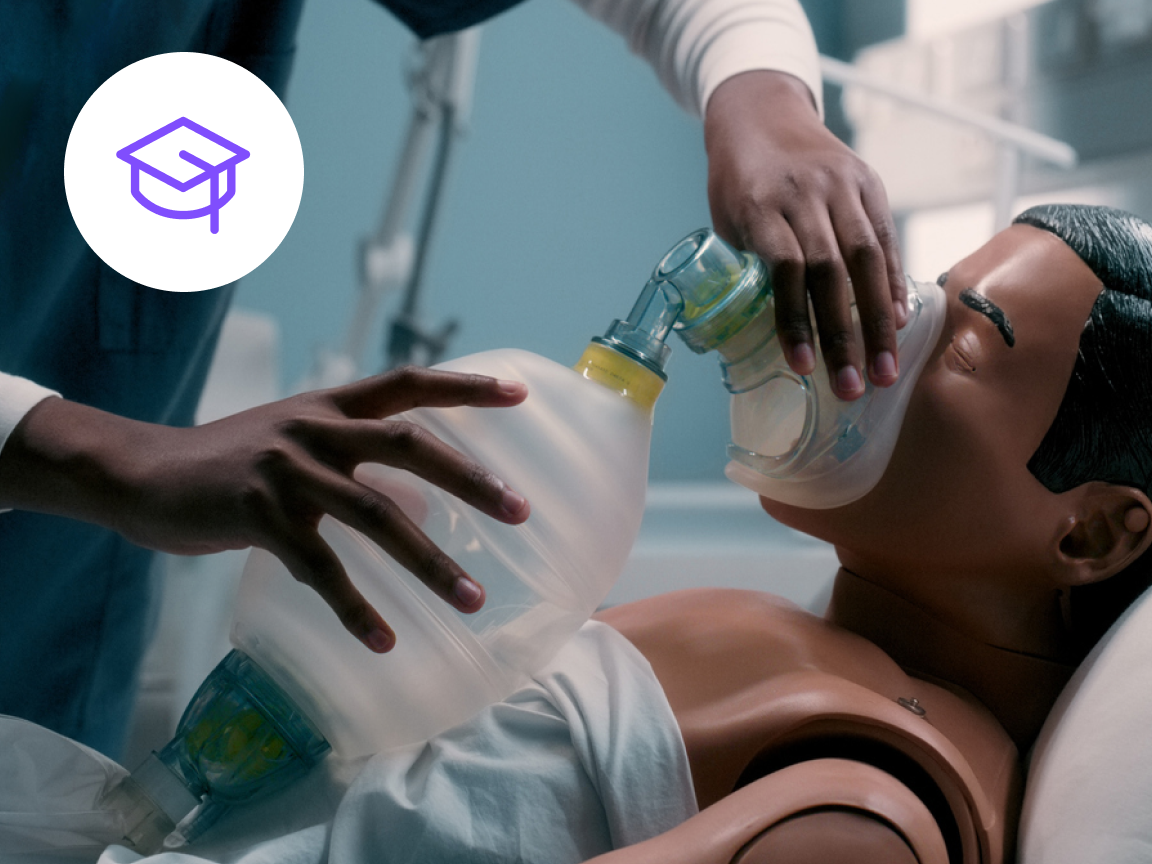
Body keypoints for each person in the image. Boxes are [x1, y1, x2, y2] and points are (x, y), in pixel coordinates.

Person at [6, 202, 1145, 863]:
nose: (892, 314)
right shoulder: (814, 651)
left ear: (1092, 535)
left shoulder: (868, 807)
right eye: (933, 286)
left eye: (966, 340)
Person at [0, 0, 907, 759]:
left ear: (1062, 538)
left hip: (48, 654)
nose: (909, 316)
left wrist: (765, 101)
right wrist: (106, 456)